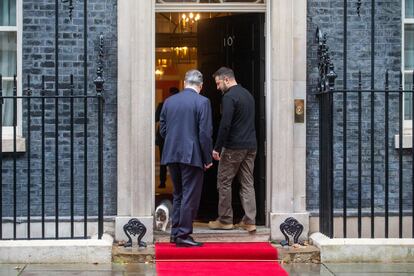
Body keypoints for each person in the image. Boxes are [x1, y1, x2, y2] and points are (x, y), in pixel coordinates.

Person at [160, 69, 213, 247]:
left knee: (178, 194)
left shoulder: (169, 101)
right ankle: (183, 234)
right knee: (190, 195)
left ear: (184, 83)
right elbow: (205, 134)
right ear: (201, 85)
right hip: (191, 155)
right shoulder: (203, 102)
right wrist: (207, 158)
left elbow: (163, 129)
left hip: (171, 153)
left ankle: (175, 233)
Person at [208, 67, 257, 232]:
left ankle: (225, 220)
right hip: (251, 146)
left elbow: (225, 124)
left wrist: (217, 147)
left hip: (234, 147)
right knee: (247, 183)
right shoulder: (248, 95)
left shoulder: (229, 97)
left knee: (224, 182)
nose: (217, 87)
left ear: (226, 79)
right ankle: (250, 220)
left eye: (218, 83)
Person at [155, 87, 179, 188]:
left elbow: (156, 118)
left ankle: (162, 182)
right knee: (175, 160)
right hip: (175, 136)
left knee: (164, 160)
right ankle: (174, 183)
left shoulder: (163, 104)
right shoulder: (179, 105)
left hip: (164, 136)